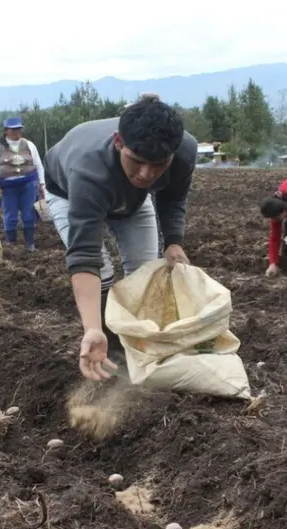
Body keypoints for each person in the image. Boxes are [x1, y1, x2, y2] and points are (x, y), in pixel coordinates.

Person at [42, 93, 197, 381]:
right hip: (68, 192)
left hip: (133, 201)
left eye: (158, 165)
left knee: (143, 270)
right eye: (136, 161)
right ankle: (109, 345)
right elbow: (83, 255)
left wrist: (174, 241)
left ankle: (136, 342)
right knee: (102, 269)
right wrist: (91, 328)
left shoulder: (184, 151)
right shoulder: (88, 169)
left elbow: (172, 198)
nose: (145, 174)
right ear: (118, 142)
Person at [0, 117, 45, 251]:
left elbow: (38, 165)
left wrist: (42, 183)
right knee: (10, 215)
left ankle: (30, 243)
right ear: (6, 131)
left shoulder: (29, 145)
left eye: (19, 129)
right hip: (8, 187)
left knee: (29, 214)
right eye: (13, 130)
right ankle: (11, 244)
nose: (16, 132)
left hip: (28, 185)